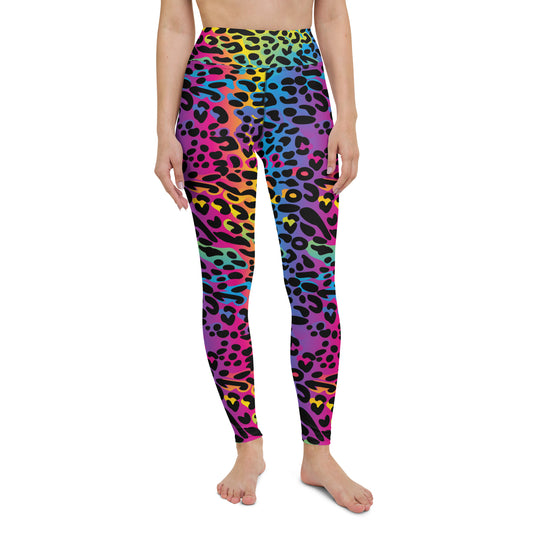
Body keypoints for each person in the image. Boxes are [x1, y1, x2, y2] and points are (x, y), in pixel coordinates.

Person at [154, 0, 373, 513]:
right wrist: (164, 129)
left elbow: (332, 14)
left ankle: (317, 453)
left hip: (299, 81)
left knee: (313, 280)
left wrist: (347, 117)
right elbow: (175, 22)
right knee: (225, 282)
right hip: (213, 87)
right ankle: (247, 446)